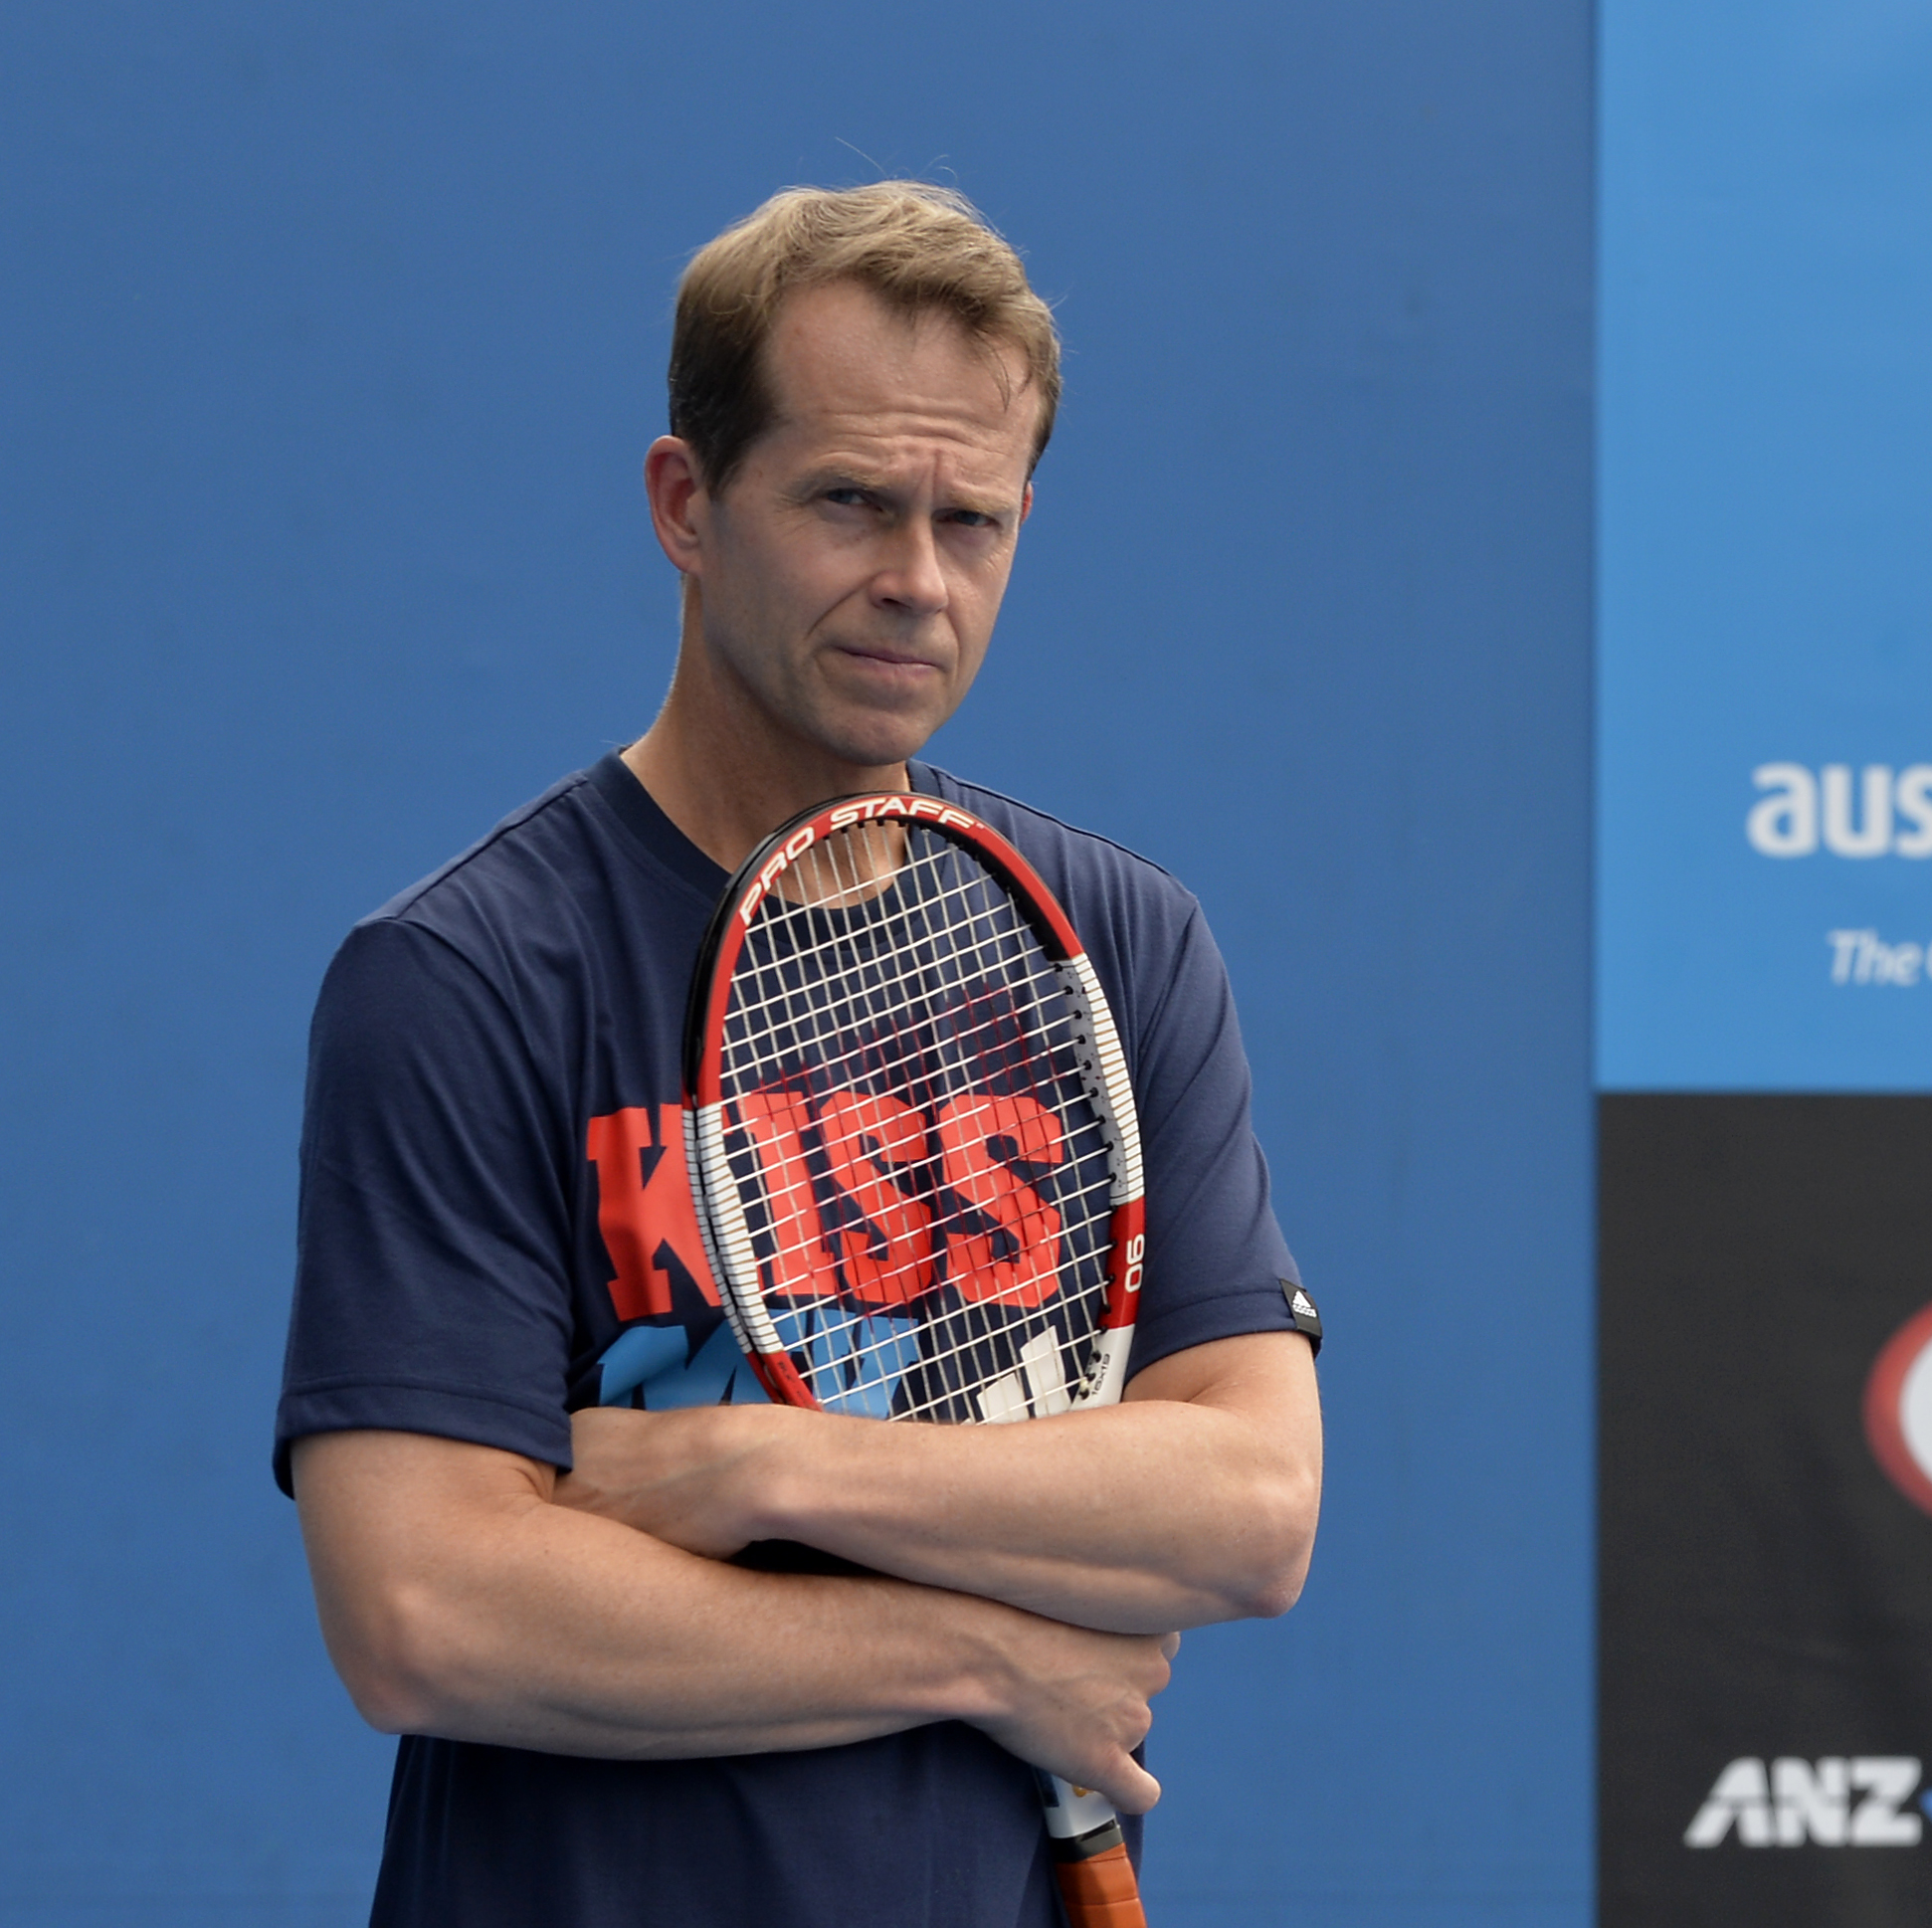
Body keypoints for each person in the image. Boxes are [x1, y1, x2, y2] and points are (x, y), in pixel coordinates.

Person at [276, 182, 1324, 1927]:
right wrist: (984, 1649)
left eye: (971, 519)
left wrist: (765, 1465)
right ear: (688, 504)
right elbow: (426, 1608)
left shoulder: (1121, 942)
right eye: (848, 500)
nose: (916, 579)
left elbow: (1251, 1501)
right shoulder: (461, 975)